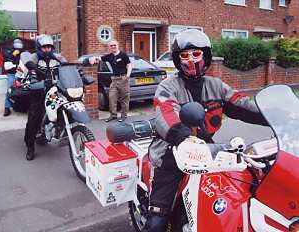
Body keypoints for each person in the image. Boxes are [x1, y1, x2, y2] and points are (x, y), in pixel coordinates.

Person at [144, 29, 268, 231]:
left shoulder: (216, 85)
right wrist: (182, 137)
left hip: (207, 150)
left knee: (244, 186)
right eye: (184, 55)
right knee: (157, 222)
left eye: (196, 54)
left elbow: (243, 105)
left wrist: (276, 115)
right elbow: (165, 112)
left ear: (206, 55)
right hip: (171, 152)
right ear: (177, 59)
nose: (190, 60)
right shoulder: (168, 86)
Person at [24, 34, 66, 161]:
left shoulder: (57, 57)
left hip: (54, 91)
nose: (47, 49)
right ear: (39, 47)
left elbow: (68, 65)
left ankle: (58, 131)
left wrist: (80, 71)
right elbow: (31, 70)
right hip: (39, 91)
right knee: (34, 118)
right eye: (44, 47)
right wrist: (39, 81)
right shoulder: (34, 58)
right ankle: (30, 146)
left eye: (49, 47)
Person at [89, 40, 132, 122]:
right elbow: (100, 58)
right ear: (109, 47)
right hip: (114, 80)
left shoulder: (123, 55)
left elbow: (129, 65)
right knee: (112, 97)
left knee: (124, 99)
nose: (113, 47)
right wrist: (93, 58)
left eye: (114, 45)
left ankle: (124, 116)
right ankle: (113, 115)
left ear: (117, 45)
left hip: (123, 79)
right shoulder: (109, 56)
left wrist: (128, 75)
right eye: (111, 46)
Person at [3, 39, 24, 116]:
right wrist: (13, 55)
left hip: (22, 74)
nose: (18, 48)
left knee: (25, 89)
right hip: (12, 74)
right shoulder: (9, 52)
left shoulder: (23, 53)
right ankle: (7, 108)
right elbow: (6, 65)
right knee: (9, 90)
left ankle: (22, 105)